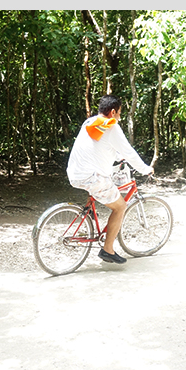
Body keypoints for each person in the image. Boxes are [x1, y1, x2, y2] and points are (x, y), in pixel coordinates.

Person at [67, 94, 154, 264]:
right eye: (120, 113)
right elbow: (130, 153)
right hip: (92, 177)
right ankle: (108, 250)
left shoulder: (90, 122)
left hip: (74, 173)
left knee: (105, 188)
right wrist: (145, 169)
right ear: (113, 112)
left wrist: (118, 156)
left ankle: (92, 223)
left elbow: (98, 148)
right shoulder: (111, 127)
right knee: (120, 207)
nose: (119, 117)